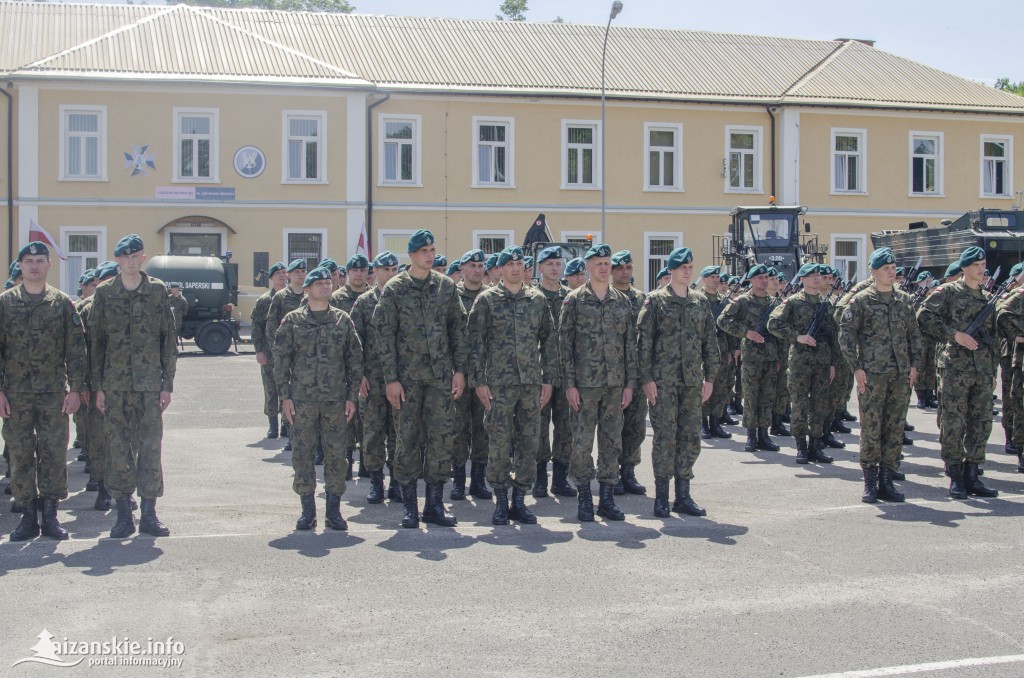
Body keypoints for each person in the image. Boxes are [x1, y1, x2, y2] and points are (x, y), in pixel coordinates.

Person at [376, 229, 468, 528]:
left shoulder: (445, 287)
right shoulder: (394, 289)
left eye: (432, 249)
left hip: (440, 379)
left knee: (441, 439)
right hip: (407, 380)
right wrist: (391, 378)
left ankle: (434, 504)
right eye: (424, 250)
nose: (430, 255)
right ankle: (409, 506)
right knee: (407, 440)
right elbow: (384, 336)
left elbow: (458, 329)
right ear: (412, 255)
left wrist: (459, 370)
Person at [90, 234, 178, 538]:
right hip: (114, 385)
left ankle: (150, 514)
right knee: (117, 447)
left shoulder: (157, 291)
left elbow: (168, 340)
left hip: (150, 385)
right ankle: (124, 513)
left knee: (151, 447)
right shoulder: (104, 294)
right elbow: (96, 343)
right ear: (117, 260)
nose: (130, 261)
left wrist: (167, 384)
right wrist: (97, 386)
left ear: (142, 258)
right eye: (124, 257)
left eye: (135, 256)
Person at [0, 242, 87, 541]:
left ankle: (50, 515)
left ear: (49, 265)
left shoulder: (63, 303)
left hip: (53, 394)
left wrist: (76, 389)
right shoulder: (5, 303)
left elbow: (76, 351)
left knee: (52, 453)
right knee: (21, 454)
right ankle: (27, 517)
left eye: (39, 260)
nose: (34, 266)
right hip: (16, 395)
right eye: (28, 261)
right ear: (20, 266)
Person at [468, 246, 557, 524]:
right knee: (498, 442)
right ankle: (501, 500)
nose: (516, 268)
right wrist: (479, 382)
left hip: (530, 385)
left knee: (529, 442)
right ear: (501, 269)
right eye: (510, 264)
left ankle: (520, 499)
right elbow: (475, 345)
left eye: (520, 263)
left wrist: (548, 379)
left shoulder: (537, 300)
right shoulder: (487, 300)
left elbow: (549, 341)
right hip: (499, 386)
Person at [274, 266, 362, 531]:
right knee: (303, 454)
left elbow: (354, 360)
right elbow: (280, 362)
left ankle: (333, 511)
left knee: (337, 456)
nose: (326, 286)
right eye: (320, 283)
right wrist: (284, 398)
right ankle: (307, 511)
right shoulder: (292, 320)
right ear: (309, 289)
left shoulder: (342, 320)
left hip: (336, 401)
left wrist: (351, 396)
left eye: (328, 282)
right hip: (302, 402)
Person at [637, 248, 720, 517]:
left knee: (690, 437)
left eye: (690, 267)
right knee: (664, 438)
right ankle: (661, 496)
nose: (687, 271)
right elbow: (644, 345)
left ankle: (683, 495)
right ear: (670, 270)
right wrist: (647, 379)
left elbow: (710, 343)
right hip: (664, 382)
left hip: (692, 382)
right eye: (682, 267)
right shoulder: (656, 301)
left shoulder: (699, 302)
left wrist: (710, 378)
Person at [559, 243, 637, 522]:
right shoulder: (575, 300)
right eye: (599, 263)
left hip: (615, 385)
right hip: (585, 385)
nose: (604, 267)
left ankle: (606, 498)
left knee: (611, 442)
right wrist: (569, 384)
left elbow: (630, 346)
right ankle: (583, 497)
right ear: (588, 267)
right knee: (581, 444)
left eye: (608, 263)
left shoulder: (622, 301)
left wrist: (629, 384)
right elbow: (564, 345)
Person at [839, 249, 921, 503]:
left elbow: (914, 335)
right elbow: (846, 335)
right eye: (886, 268)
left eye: (893, 267)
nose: (891, 271)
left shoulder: (905, 300)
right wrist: (856, 367)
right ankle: (870, 482)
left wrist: (915, 365)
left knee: (895, 428)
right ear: (873, 272)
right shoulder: (861, 301)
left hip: (900, 374)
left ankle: (887, 479)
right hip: (872, 374)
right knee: (872, 428)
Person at [917, 246, 1000, 498]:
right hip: (954, 367)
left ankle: (972, 474)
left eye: (983, 264)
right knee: (953, 421)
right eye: (976, 264)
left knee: (981, 422)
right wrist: (955, 335)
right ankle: (955, 475)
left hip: (982, 369)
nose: (981, 268)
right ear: (964, 268)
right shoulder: (948, 292)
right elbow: (923, 317)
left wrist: (993, 370)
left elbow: (993, 338)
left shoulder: (987, 297)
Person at [767, 263, 840, 465]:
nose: (816, 278)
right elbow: (773, 323)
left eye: (818, 275)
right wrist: (797, 337)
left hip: (822, 361)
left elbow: (834, 336)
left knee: (819, 404)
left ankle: (815, 445)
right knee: (799, 404)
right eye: (811, 275)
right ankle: (801, 446)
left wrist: (833, 363)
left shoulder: (827, 303)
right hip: (800, 361)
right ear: (803, 279)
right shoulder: (793, 302)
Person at [351, 251, 401, 503]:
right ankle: (376, 483)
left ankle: (396, 482)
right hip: (372, 379)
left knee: (398, 432)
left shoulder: (404, 299)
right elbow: (354, 343)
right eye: (385, 270)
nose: (390, 274)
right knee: (372, 433)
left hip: (399, 380)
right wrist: (358, 375)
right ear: (376, 272)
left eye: (394, 270)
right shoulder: (363, 303)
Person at [718, 265, 782, 453]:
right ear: (752, 280)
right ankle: (751, 436)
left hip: (770, 356)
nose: (764, 280)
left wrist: (779, 356)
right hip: (752, 357)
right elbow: (723, 320)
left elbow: (779, 331)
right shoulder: (742, 301)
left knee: (767, 397)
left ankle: (764, 434)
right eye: (760, 277)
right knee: (751, 396)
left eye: (766, 277)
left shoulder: (775, 302)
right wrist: (746, 333)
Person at [533, 246, 577, 498]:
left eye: (558, 263)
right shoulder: (531, 296)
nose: (554, 267)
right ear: (540, 267)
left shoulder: (571, 298)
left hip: (566, 373)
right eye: (549, 263)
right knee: (538, 427)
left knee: (565, 427)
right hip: (538, 374)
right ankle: (539, 478)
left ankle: (560, 479)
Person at [451, 249, 491, 500]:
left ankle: (478, 480)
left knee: (483, 428)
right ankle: (457, 481)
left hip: (486, 374)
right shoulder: (451, 295)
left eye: (480, 265)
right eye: (472, 265)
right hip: (458, 374)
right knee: (458, 428)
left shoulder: (492, 296)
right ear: (462, 269)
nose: (477, 270)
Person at [610, 250, 648, 495]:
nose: (625, 271)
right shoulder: (607, 297)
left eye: (628, 267)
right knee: (612, 425)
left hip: (637, 372)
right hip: (612, 373)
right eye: (620, 267)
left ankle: (629, 471)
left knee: (635, 425)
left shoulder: (642, 299)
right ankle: (612, 473)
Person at [331, 254, 371, 478]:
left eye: (362, 270)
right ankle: (345, 462)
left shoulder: (377, 297)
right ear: (348, 273)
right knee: (345, 417)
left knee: (367, 417)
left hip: (370, 368)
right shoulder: (336, 298)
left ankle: (367, 461)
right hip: (343, 368)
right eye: (354, 270)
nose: (358, 274)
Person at [266, 259, 308, 452]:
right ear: (289, 275)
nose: (301, 274)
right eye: (297, 271)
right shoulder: (281, 297)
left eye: (303, 271)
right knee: (288, 394)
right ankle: (290, 434)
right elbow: (271, 325)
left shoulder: (312, 293)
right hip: (287, 354)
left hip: (307, 355)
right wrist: (279, 350)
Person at [251, 261, 287, 439]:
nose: (282, 275)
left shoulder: (294, 296)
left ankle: (287, 424)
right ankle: (273, 424)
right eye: (278, 273)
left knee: (287, 389)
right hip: (269, 352)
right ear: (272, 277)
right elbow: (257, 327)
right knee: (271, 389)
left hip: (288, 354)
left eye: (284, 272)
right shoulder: (265, 300)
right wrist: (259, 350)